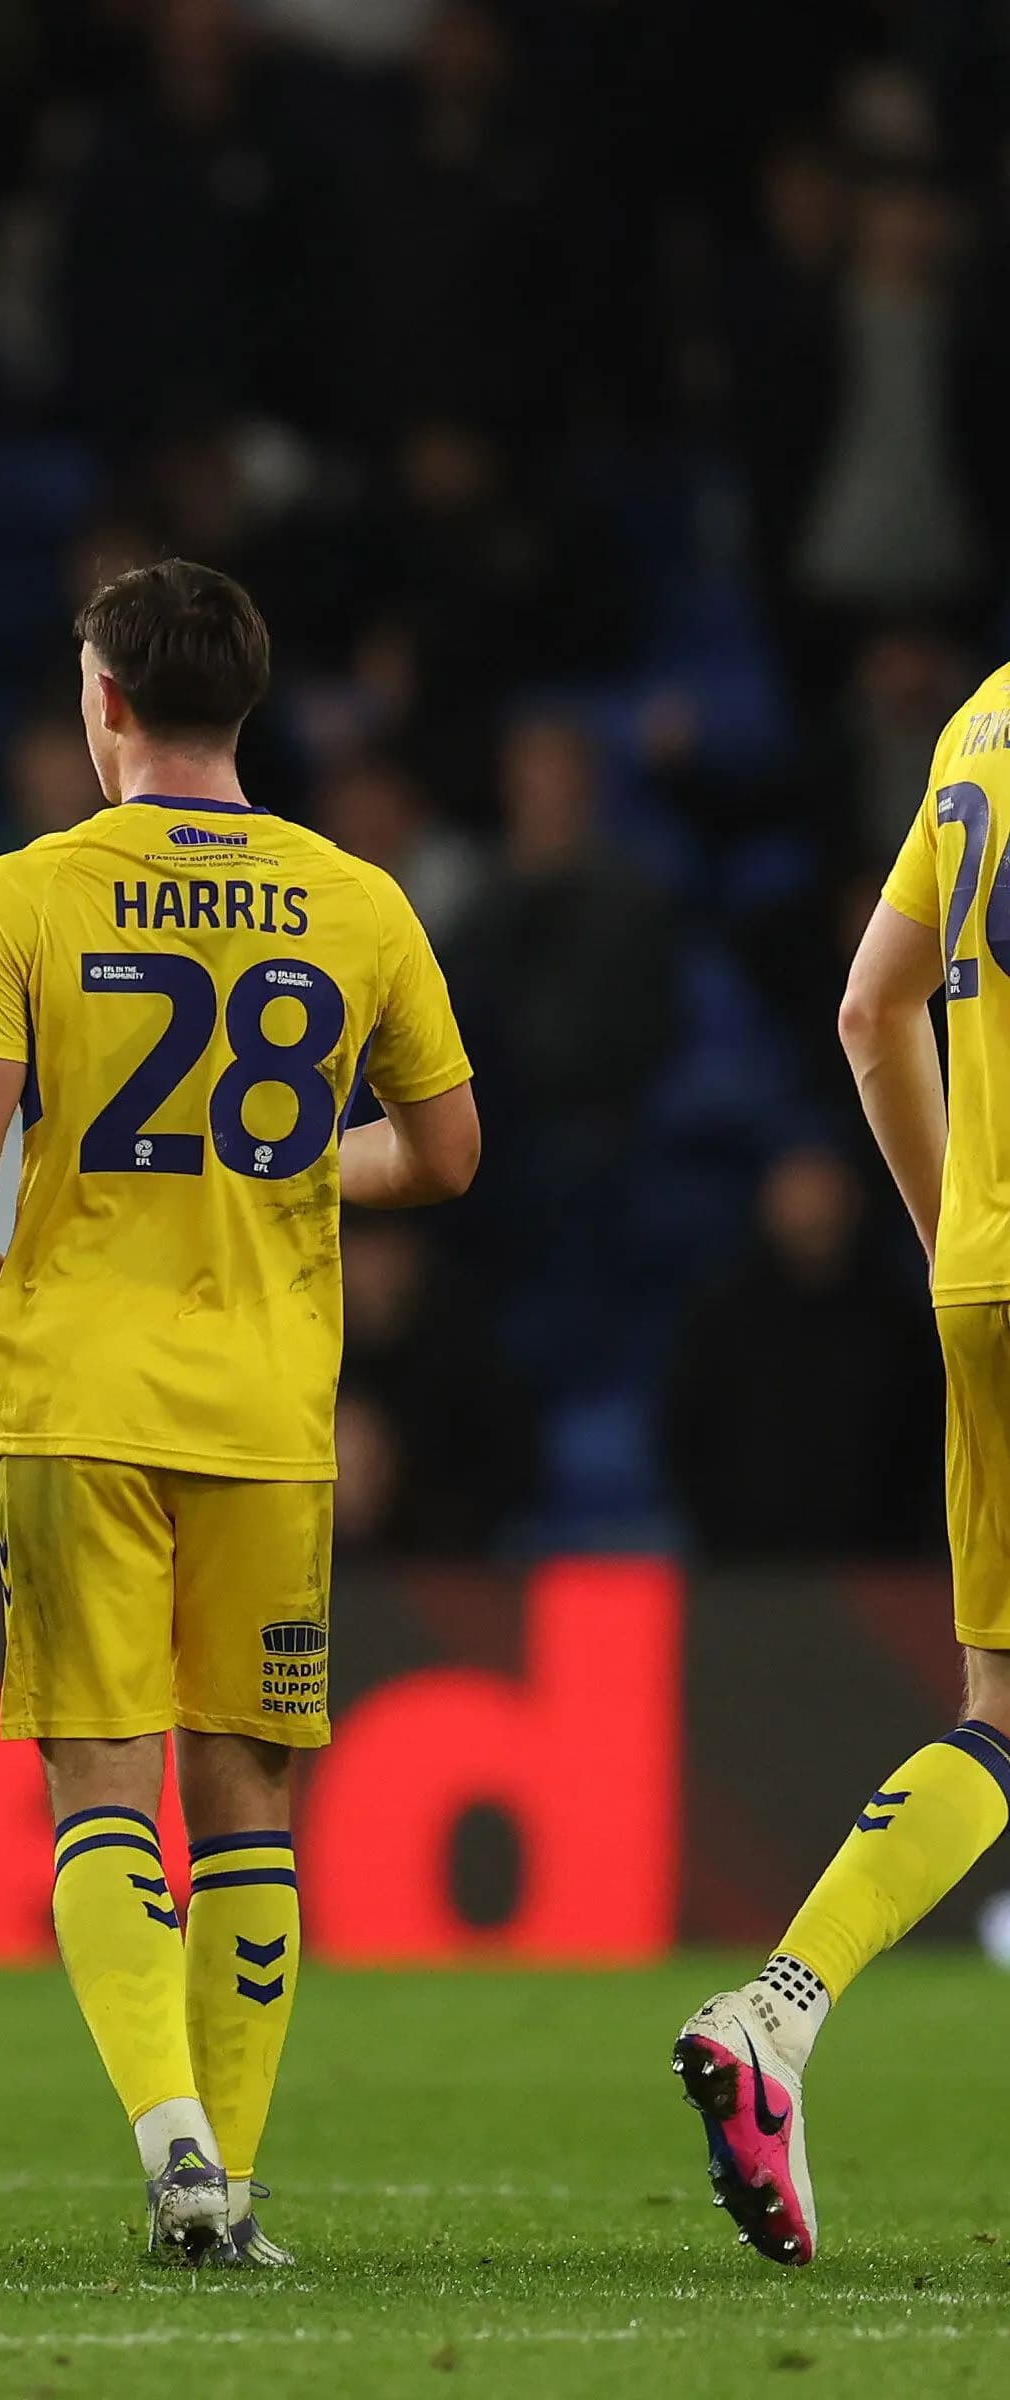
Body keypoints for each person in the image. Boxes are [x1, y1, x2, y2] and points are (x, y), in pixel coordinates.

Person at [0, 559, 478, 2268]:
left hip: (80, 1387)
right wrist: (315, 1157)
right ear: (253, 701)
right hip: (268, 1402)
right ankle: (226, 2171)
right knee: (246, 1795)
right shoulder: (355, 899)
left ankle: (169, 2150)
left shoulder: (30, 892)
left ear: (104, 705)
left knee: (101, 1782)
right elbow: (448, 1153)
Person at [675, 646, 1010, 2266]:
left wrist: (961, 1239)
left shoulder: (979, 721)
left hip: (986, 1279)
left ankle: (777, 2014)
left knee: (1000, 1712)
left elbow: (872, 1010)